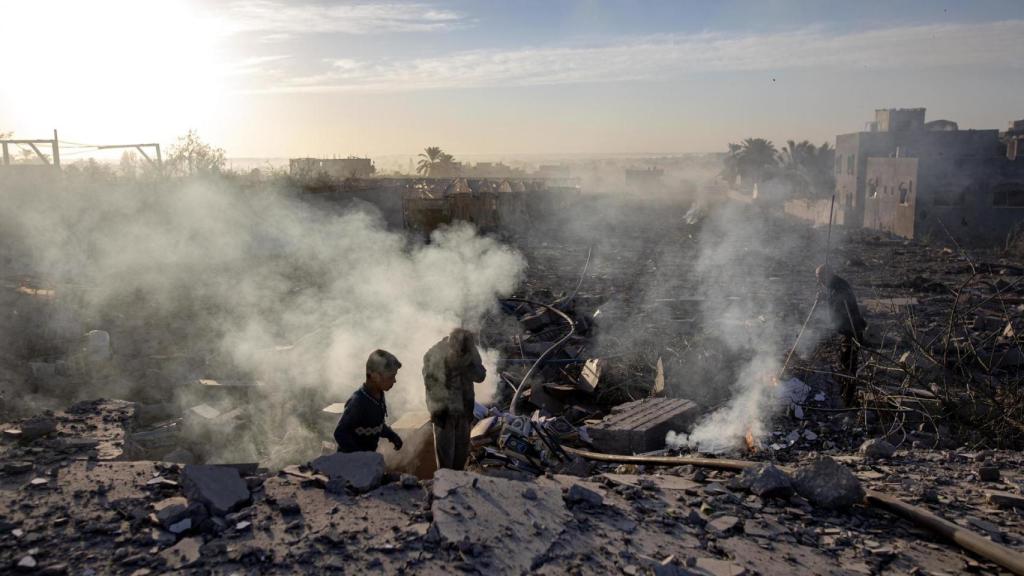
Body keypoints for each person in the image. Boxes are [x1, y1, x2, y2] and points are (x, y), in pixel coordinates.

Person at [422, 328, 486, 470]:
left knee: (460, 460)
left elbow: (480, 376)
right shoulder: (435, 354)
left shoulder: (469, 352)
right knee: (446, 464)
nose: (460, 352)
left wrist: (471, 357)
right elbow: (432, 384)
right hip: (445, 415)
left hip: (464, 413)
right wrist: (456, 365)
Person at [334, 349, 404, 453]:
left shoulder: (379, 396)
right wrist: (359, 456)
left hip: (366, 460)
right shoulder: (358, 402)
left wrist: (392, 436)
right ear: (375, 376)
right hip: (350, 462)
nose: (394, 380)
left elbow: (376, 425)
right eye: (391, 376)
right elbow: (340, 433)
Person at [816, 265, 867, 405]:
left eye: (820, 278)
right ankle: (845, 394)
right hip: (847, 330)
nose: (819, 281)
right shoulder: (834, 285)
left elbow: (840, 305)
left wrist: (826, 297)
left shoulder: (838, 286)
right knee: (845, 363)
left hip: (852, 330)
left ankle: (848, 398)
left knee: (849, 365)